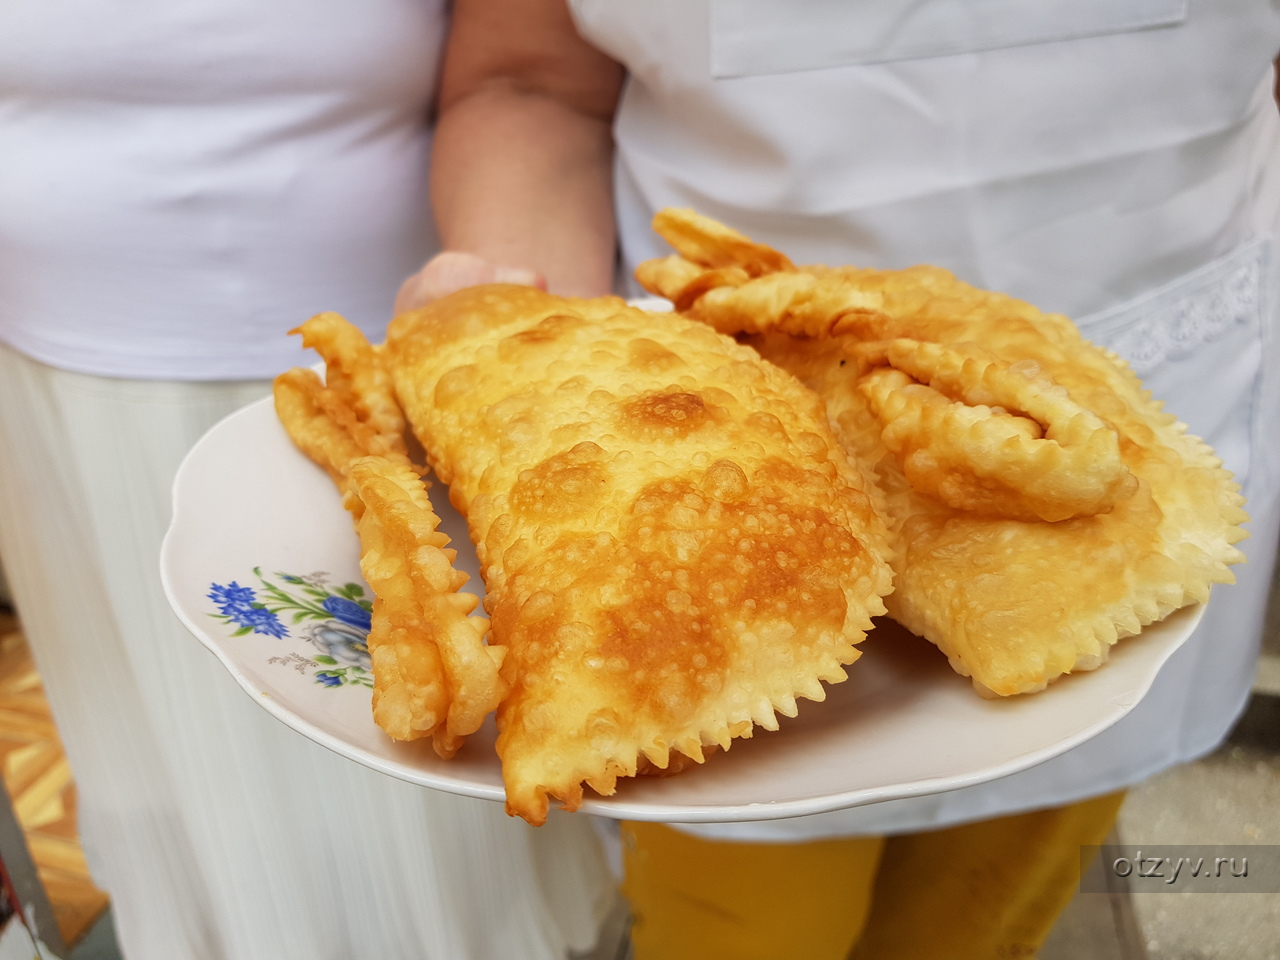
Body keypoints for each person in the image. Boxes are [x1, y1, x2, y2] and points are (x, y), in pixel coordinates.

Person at [400, 0, 1280, 956]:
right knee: (736, 923)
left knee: (994, 907)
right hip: (686, 454)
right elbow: (529, 80)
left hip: (1155, 399)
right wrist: (511, 345)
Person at [0, 2, 613, 957]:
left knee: (421, 775)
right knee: (167, 767)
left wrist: (508, 335)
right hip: (45, 394)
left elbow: (528, 77)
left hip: (392, 384)